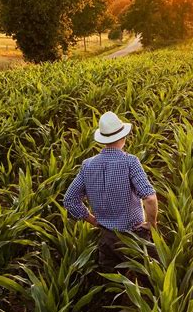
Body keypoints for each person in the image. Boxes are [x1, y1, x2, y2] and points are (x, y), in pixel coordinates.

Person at [63, 111, 158, 271]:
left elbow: (70, 200)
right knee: (152, 278)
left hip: (106, 237)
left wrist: (93, 221)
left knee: (111, 282)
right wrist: (152, 223)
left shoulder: (88, 165)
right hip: (134, 236)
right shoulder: (130, 162)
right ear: (124, 137)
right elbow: (149, 198)